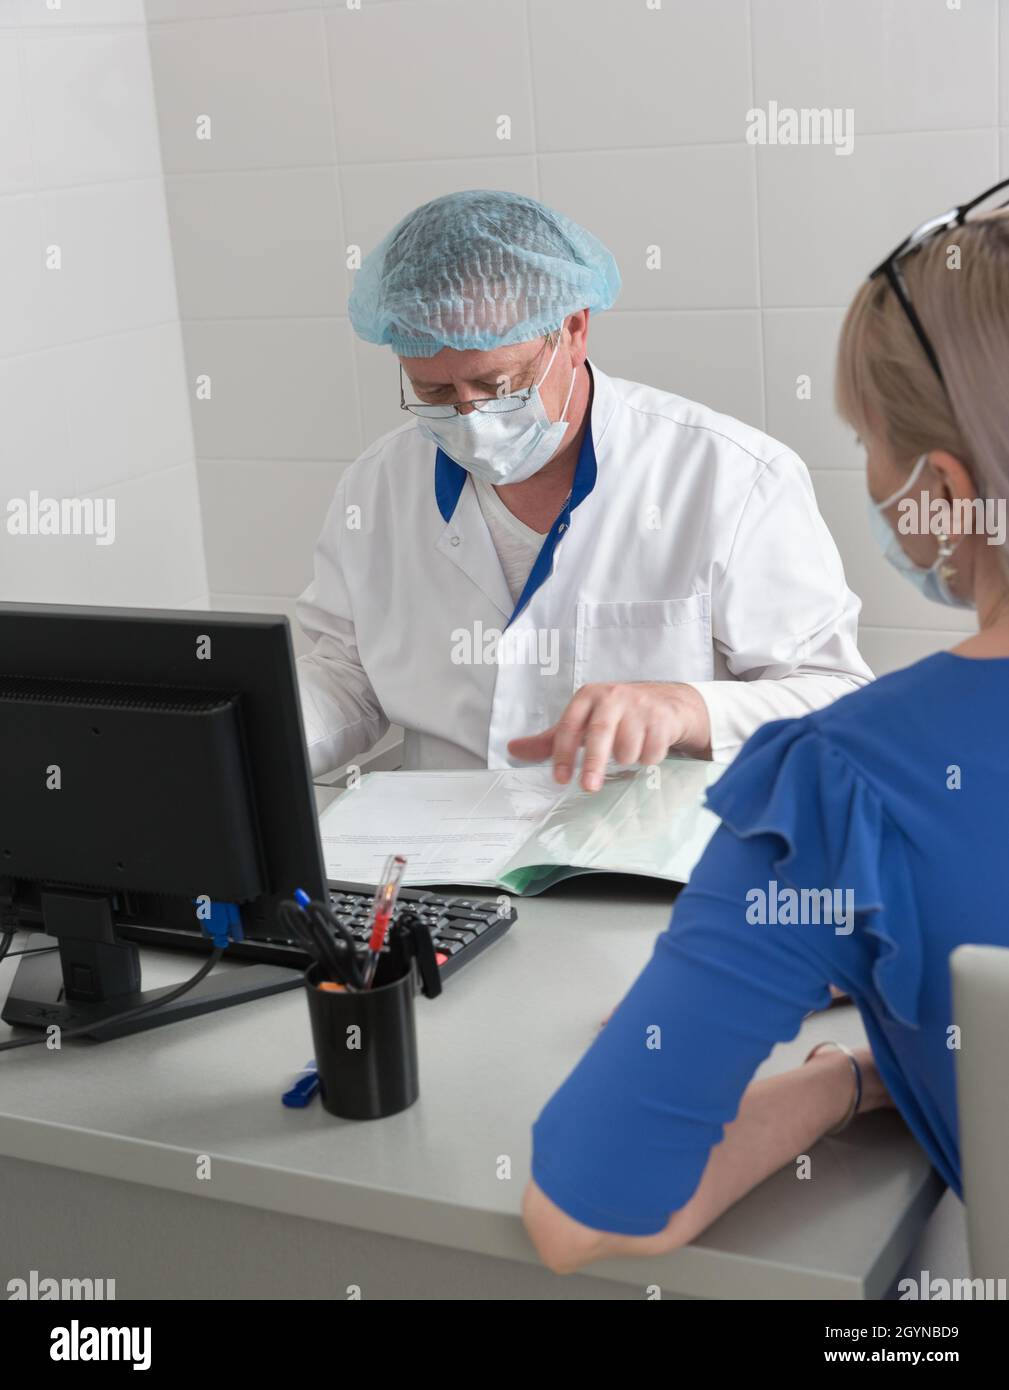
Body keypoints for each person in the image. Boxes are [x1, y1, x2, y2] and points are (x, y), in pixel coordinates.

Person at [522, 182, 1009, 1271]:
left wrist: (845, 1076)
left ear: (940, 491)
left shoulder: (846, 784)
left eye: (865, 443)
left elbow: (586, 1212)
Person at [297, 191, 870, 788]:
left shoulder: (729, 476)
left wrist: (691, 710)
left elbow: (838, 700)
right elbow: (347, 673)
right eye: (436, 394)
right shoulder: (377, 485)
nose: (470, 416)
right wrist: (246, 746)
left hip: (636, 860)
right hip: (431, 860)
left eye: (499, 384)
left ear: (572, 331)